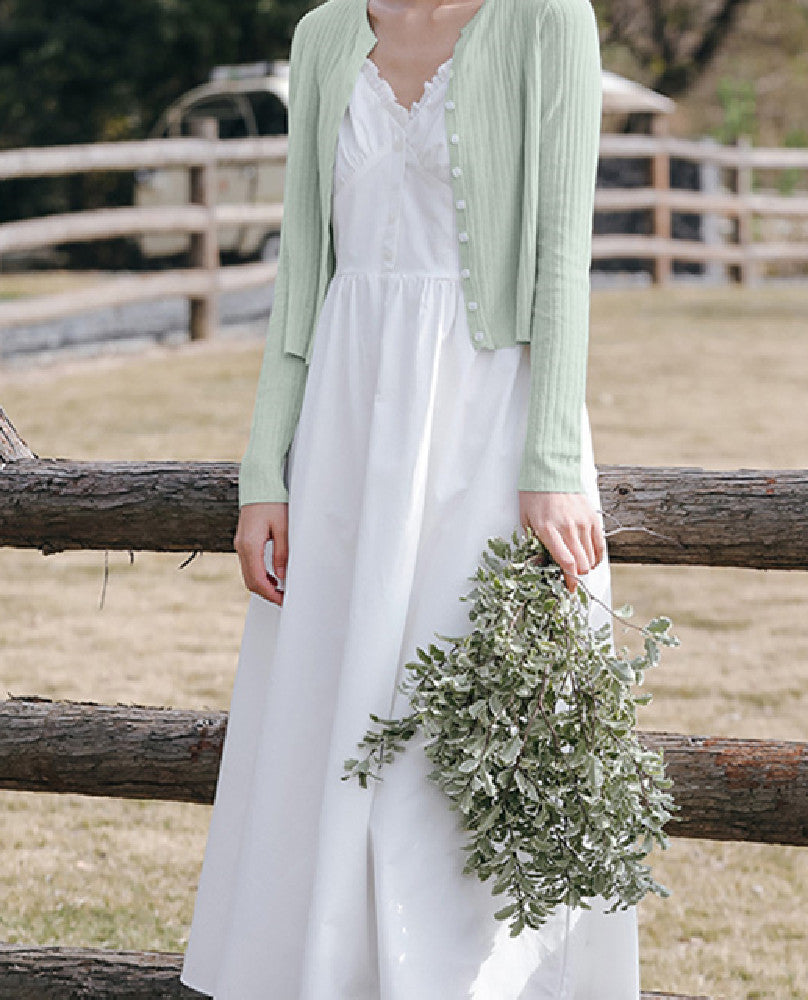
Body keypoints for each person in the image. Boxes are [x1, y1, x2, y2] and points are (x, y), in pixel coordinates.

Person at [180, 0, 641, 996]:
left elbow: (562, 247)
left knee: (459, 745)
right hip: (344, 430)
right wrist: (268, 468)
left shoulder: (544, 20)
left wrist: (551, 459)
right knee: (332, 731)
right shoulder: (324, 36)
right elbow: (303, 269)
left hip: (487, 422)